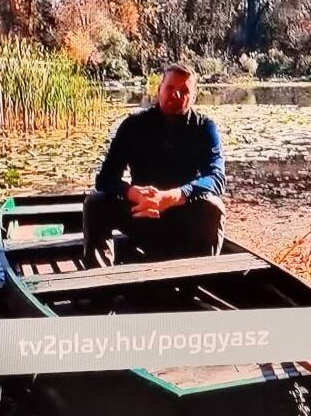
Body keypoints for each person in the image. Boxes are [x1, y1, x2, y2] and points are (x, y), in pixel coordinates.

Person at [82, 64, 225, 268]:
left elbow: (216, 177)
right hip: (140, 211)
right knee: (95, 203)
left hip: (181, 213)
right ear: (159, 91)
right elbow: (105, 178)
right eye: (170, 88)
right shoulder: (133, 126)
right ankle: (99, 281)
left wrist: (172, 197)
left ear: (193, 97)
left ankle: (197, 278)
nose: (176, 94)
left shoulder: (204, 128)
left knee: (213, 207)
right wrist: (132, 193)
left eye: (184, 91)